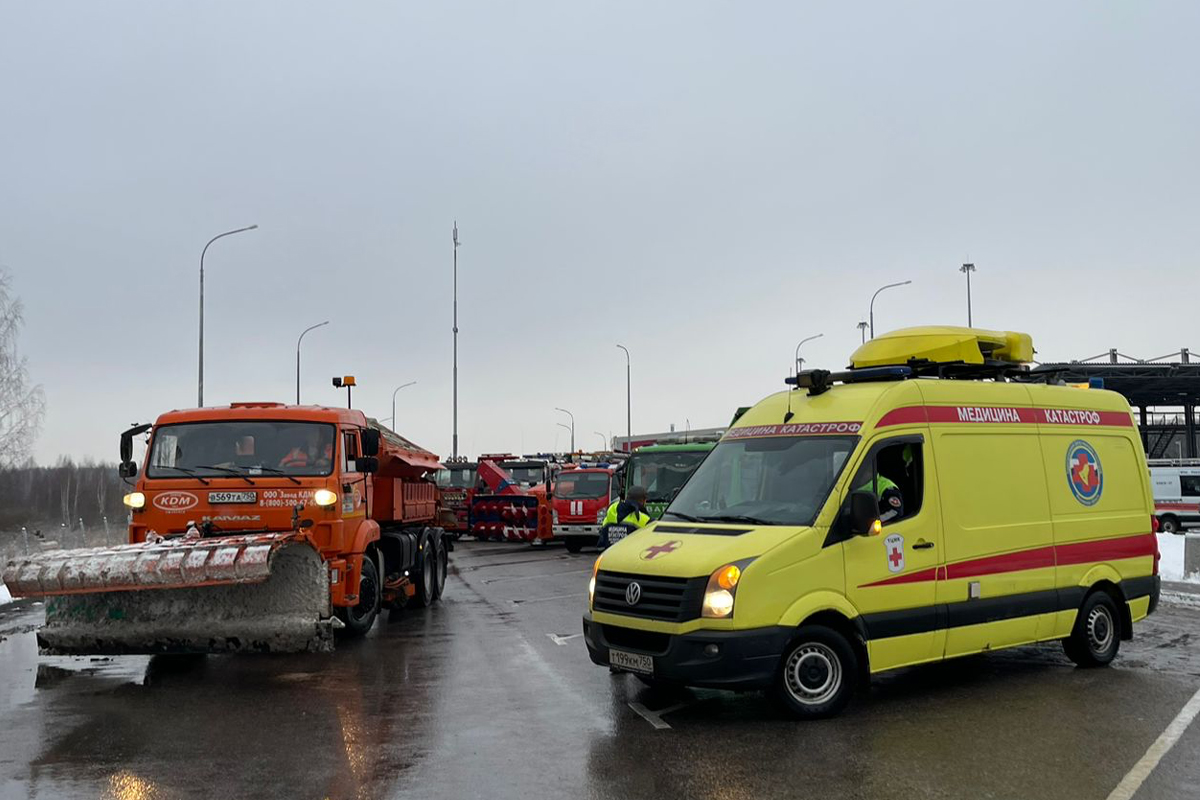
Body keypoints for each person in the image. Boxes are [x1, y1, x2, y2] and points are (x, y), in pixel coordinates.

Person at [856, 444, 913, 523]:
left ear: (870, 469)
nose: (858, 475)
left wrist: (870, 522)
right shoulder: (852, 485)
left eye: (861, 471)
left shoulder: (887, 487)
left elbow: (895, 512)